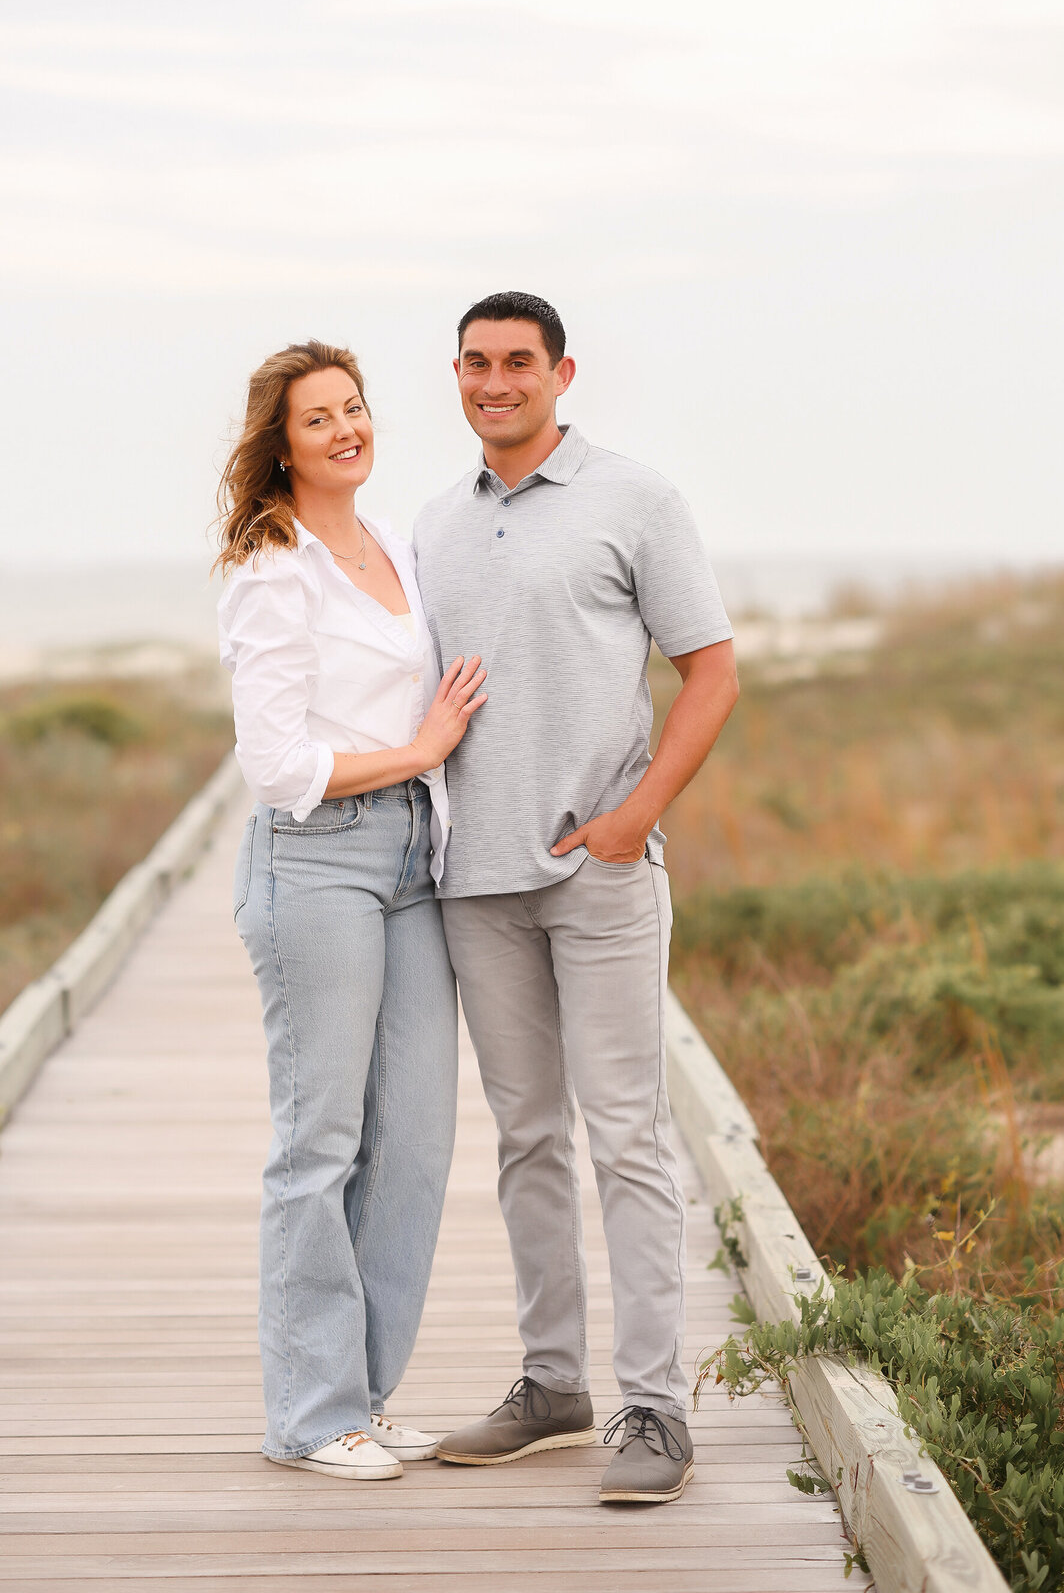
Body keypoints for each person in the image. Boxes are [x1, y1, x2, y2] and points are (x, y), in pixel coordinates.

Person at [413, 292, 738, 1505]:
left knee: (629, 1136)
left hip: (598, 876)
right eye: (477, 364)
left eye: (519, 362)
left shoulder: (636, 499)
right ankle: (553, 1384)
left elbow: (712, 674)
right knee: (527, 1139)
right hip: (475, 885)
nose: (497, 381)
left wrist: (635, 819)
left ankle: (655, 1408)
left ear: (560, 373)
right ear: (456, 376)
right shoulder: (436, 523)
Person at [216, 340, 487, 1481]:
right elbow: (274, 762)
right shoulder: (272, 567)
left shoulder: (394, 547)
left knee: (417, 1140)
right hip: (316, 862)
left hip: (414, 860)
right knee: (317, 1145)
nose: (346, 429)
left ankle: (363, 1398)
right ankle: (311, 1413)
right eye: (319, 418)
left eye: (357, 409)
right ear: (282, 445)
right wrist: (418, 748)